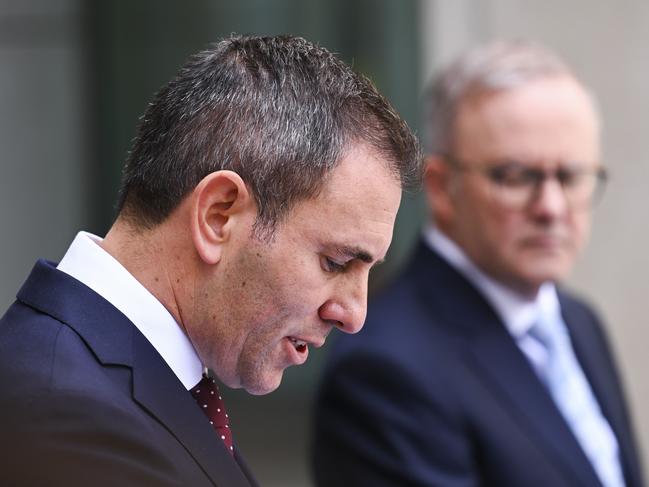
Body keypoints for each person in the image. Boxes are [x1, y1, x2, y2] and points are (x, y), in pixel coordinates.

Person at [0, 34, 421, 486]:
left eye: (368, 270)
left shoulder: (115, 381)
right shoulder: (63, 409)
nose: (354, 315)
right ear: (218, 216)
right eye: (336, 262)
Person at [313, 40, 644, 487]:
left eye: (570, 176)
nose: (551, 206)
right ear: (442, 188)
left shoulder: (578, 321)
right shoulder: (387, 368)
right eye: (516, 176)